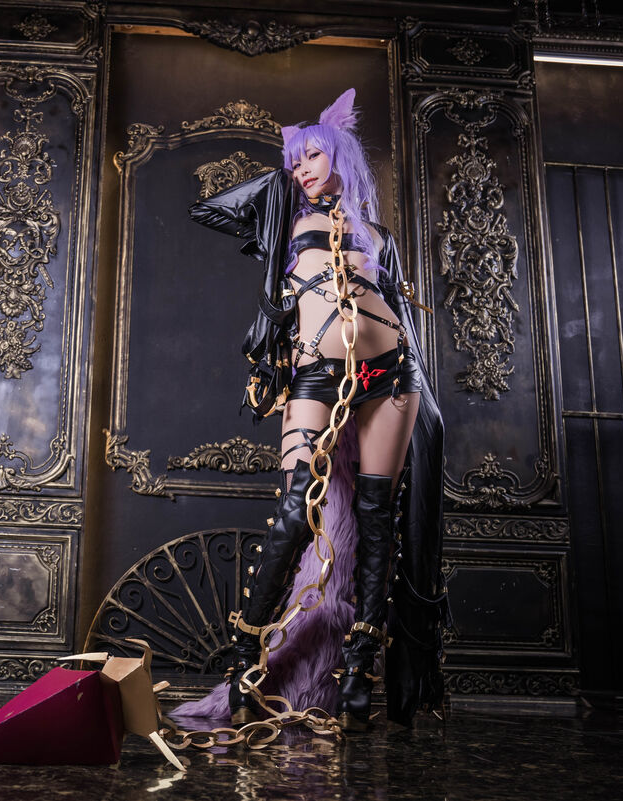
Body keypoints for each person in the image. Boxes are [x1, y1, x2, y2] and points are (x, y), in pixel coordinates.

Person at [173, 88, 448, 731]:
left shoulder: (378, 236)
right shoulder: (284, 216)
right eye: (293, 162)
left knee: (377, 521)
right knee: (296, 512)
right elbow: (207, 210)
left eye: (313, 157)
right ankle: (244, 666)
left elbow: (397, 310)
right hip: (317, 377)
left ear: (342, 155)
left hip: (391, 376)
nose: (301, 169)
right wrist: (284, 173)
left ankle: (356, 678)